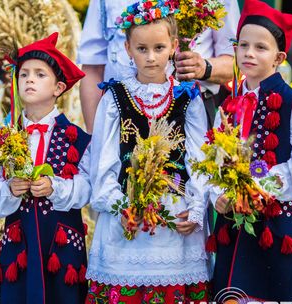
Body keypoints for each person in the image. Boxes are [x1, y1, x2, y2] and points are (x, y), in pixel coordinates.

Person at [85, 1, 210, 302]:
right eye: (142, 49)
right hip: (126, 217)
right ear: (127, 48)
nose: (151, 57)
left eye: (158, 47)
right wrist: (119, 205)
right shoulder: (115, 97)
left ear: (173, 46)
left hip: (173, 217)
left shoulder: (187, 97)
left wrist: (195, 208)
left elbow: (199, 158)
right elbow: (103, 161)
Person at [208, 0, 292, 301]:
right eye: (243, 45)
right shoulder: (230, 103)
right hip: (235, 221)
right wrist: (216, 193)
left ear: (279, 57)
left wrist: (258, 188)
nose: (249, 53)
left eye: (260, 47)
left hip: (277, 223)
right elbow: (216, 158)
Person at [0, 33, 91, 304]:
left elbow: (88, 187)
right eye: (24, 74)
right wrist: (9, 189)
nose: (29, 79)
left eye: (40, 74)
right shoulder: (5, 137)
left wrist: (56, 187)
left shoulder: (77, 137)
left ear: (59, 87)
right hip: (20, 244)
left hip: (61, 244)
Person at [77, 0, 239, 132]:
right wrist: (94, 134)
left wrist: (204, 67)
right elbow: (92, 67)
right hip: (120, 113)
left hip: (191, 113)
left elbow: (237, 61)